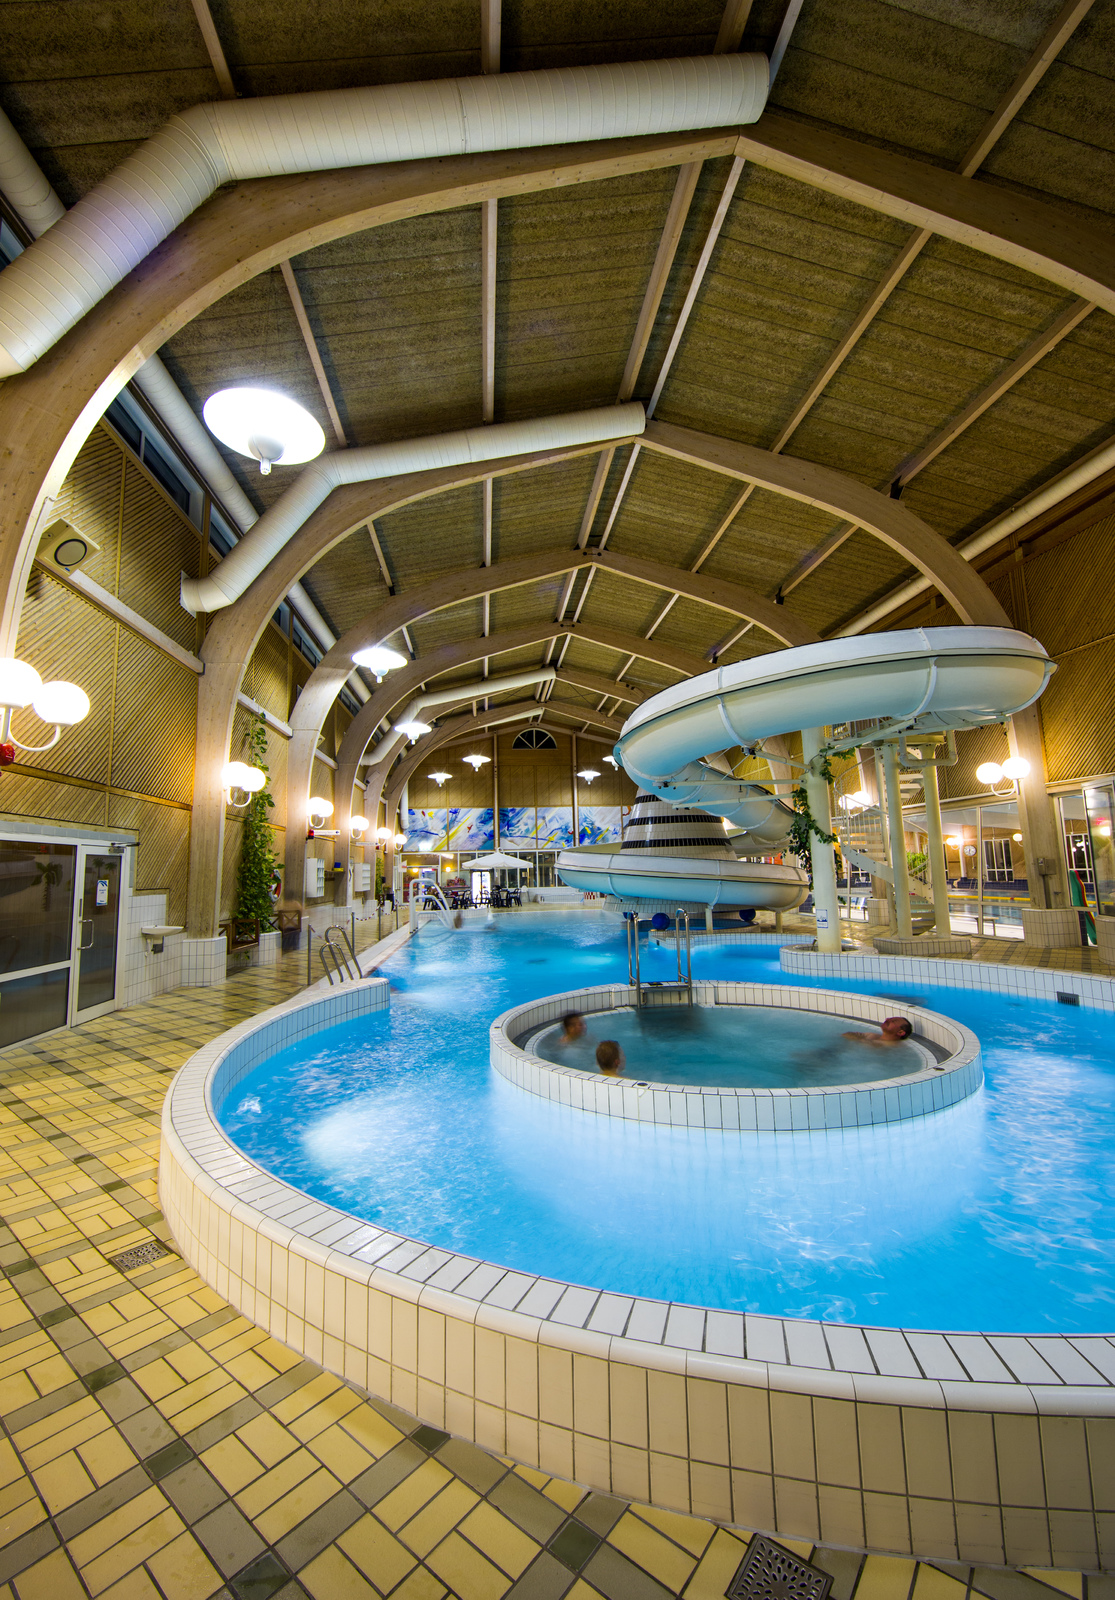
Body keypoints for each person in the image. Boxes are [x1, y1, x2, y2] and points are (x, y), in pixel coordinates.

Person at [842, 1016, 913, 1047]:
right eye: (890, 1018)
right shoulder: (873, 1035)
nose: (887, 1019)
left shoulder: (891, 1047)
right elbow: (846, 1034)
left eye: (893, 1021)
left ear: (900, 1032)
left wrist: (859, 1039)